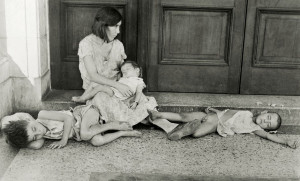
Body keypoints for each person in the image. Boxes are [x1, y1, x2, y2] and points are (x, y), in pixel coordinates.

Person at [76, 6, 177, 129]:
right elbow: (93, 75)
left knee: (141, 99)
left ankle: (171, 128)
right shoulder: (86, 44)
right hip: (98, 89)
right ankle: (129, 122)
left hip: (119, 88)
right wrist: (118, 86)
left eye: (119, 27)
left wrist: (128, 86)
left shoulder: (118, 45)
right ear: (103, 25)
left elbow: (122, 71)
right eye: (115, 26)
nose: (118, 31)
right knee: (102, 99)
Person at [148, 107, 299, 149]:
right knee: (183, 116)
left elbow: (268, 136)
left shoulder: (253, 129)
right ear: (265, 112)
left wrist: (285, 142)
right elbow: (226, 113)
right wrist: (212, 113)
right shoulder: (246, 113)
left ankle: (182, 131)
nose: (265, 121)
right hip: (215, 119)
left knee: (197, 133)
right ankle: (158, 114)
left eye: (268, 124)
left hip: (214, 126)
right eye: (268, 118)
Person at [1, 105, 141, 149]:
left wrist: (63, 141)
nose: (38, 133)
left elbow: (68, 118)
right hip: (82, 131)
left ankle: (112, 125)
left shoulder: (42, 115)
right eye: (34, 137)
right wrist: (16, 141)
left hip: (84, 114)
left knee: (86, 134)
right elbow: (36, 145)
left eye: (33, 129)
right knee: (97, 141)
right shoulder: (41, 137)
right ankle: (122, 133)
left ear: (28, 119)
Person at [72, 61, 145, 110]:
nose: (125, 71)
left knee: (100, 87)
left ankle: (83, 99)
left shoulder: (139, 81)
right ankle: (83, 97)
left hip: (116, 95)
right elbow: (116, 81)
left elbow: (139, 92)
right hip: (114, 89)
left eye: (127, 69)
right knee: (94, 83)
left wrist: (136, 102)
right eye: (123, 71)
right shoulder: (124, 78)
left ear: (137, 70)